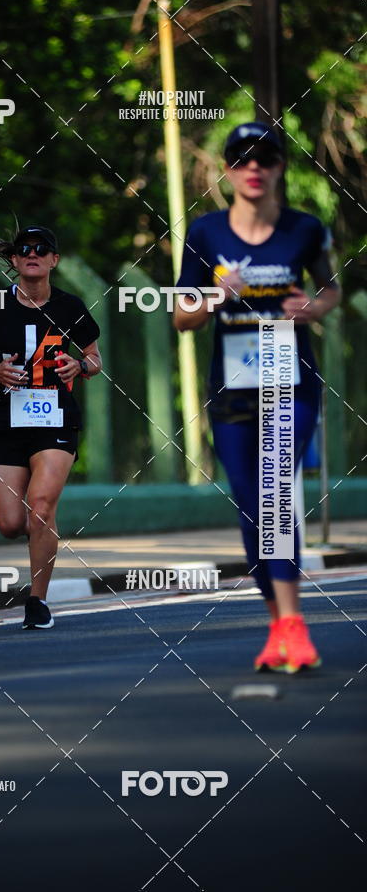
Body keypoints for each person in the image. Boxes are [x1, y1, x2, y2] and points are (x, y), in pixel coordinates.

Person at [173, 122, 341, 673]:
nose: (253, 167)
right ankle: (278, 626)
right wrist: (215, 297)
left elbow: (330, 287)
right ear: (227, 169)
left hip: (291, 383)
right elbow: (181, 317)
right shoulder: (204, 233)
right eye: (241, 158)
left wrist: (312, 309)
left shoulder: (305, 229)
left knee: (274, 497)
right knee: (251, 507)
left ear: (278, 169)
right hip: (233, 390)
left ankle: (294, 624)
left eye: (265, 158)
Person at [0, 225, 102, 629]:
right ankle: (42, 528)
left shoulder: (70, 306)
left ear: (53, 260)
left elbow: (95, 359)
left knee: (40, 506)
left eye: (41, 249)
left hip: (55, 418)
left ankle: (37, 601)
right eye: (24, 250)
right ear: (13, 260)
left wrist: (79, 365)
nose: (33, 254)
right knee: (12, 523)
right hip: (5, 419)